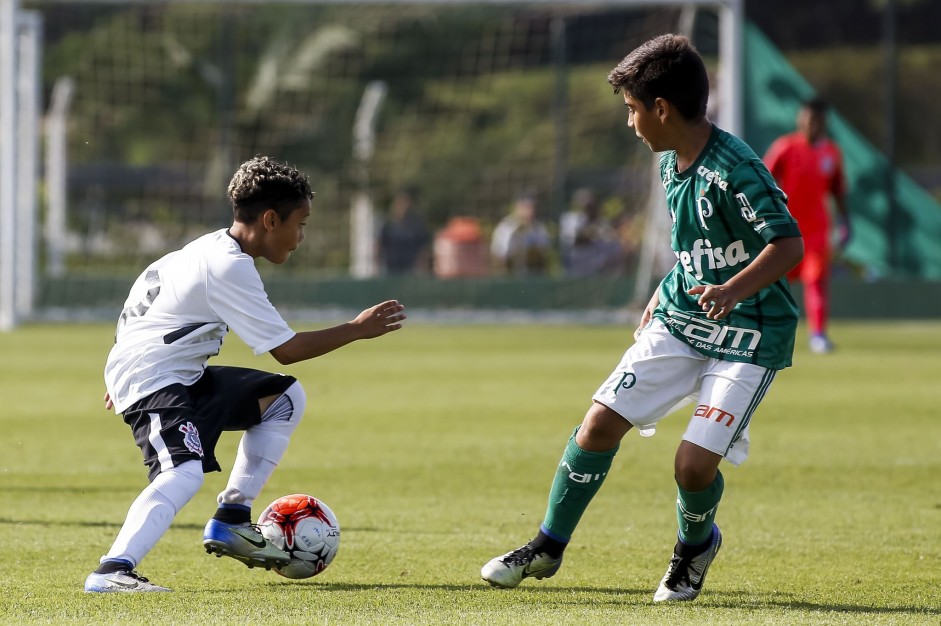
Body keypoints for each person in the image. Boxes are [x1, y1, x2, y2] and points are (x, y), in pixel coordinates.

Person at [480, 34, 804, 603]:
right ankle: (548, 546)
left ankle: (694, 548)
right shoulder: (667, 163)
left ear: (661, 108)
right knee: (598, 426)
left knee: (692, 468)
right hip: (682, 318)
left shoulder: (735, 169)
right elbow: (693, 248)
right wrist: (664, 288)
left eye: (632, 109)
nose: (629, 123)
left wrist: (730, 290)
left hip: (748, 333)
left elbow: (787, 245)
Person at [84, 156, 407, 593]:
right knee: (183, 472)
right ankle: (112, 571)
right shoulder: (228, 266)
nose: (301, 237)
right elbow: (287, 351)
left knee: (283, 399)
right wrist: (356, 329)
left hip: (173, 375)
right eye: (301, 222)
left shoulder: (208, 248)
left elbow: (143, 306)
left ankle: (233, 519)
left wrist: (121, 366)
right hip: (155, 380)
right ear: (271, 219)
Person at [764, 97, 849, 354]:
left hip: (817, 231)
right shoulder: (785, 148)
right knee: (773, 282)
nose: (810, 123)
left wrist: (847, 222)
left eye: (815, 119)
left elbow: (838, 191)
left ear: (823, 122)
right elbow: (762, 180)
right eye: (806, 117)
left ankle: (818, 335)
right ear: (800, 119)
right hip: (785, 230)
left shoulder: (832, 153)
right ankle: (767, 330)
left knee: (816, 283)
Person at [559, 188, 625, 276]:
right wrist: (593, 231)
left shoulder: (603, 223)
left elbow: (613, 247)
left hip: (600, 273)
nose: (591, 209)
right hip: (577, 270)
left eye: (593, 205)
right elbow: (577, 240)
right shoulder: (571, 219)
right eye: (587, 206)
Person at [490, 192, 552, 275]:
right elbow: (499, 254)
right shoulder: (505, 227)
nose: (530, 211)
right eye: (526, 206)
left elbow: (545, 252)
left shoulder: (539, 227)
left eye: (532, 207)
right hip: (510, 274)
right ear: (517, 207)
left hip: (534, 274)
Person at [377, 187, 431, 274]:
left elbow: (424, 250)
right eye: (400, 203)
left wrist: (423, 268)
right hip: (391, 270)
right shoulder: (388, 227)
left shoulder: (418, 227)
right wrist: (378, 268)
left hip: (411, 271)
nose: (403, 207)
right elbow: (379, 247)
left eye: (406, 203)